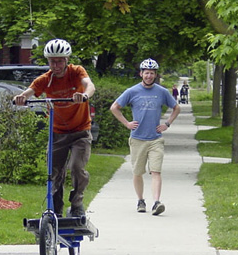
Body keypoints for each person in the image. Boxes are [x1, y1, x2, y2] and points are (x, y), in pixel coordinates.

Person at [13, 39, 95, 218]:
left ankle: (77, 203)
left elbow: (90, 85)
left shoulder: (76, 72)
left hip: (80, 132)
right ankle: (55, 208)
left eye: (59, 61)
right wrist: (21, 97)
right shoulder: (46, 80)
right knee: (54, 171)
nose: (56, 65)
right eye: (52, 61)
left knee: (76, 167)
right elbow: (30, 91)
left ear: (66, 60)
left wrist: (84, 95)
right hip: (57, 133)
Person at [110, 58, 180, 215]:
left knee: (156, 171)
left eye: (152, 73)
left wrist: (167, 124)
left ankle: (156, 202)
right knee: (138, 172)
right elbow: (114, 108)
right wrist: (127, 123)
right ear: (141, 73)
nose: (149, 76)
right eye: (146, 73)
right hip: (137, 139)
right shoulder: (132, 91)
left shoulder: (162, 92)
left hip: (156, 139)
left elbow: (176, 108)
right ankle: (141, 200)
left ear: (155, 75)